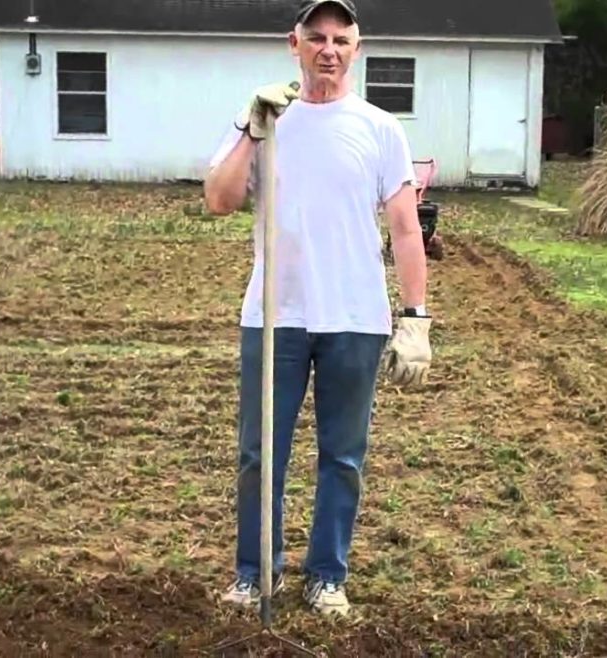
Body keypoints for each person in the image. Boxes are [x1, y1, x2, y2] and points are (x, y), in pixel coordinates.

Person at [202, 0, 432, 617]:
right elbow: (219, 201)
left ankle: (327, 575)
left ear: (357, 49)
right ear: (294, 44)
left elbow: (406, 229)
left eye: (341, 38)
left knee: (343, 457)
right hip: (275, 315)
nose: (328, 49)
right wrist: (252, 129)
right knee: (259, 454)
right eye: (316, 37)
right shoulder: (266, 121)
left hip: (355, 319)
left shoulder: (381, 128)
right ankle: (255, 573)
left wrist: (415, 317)